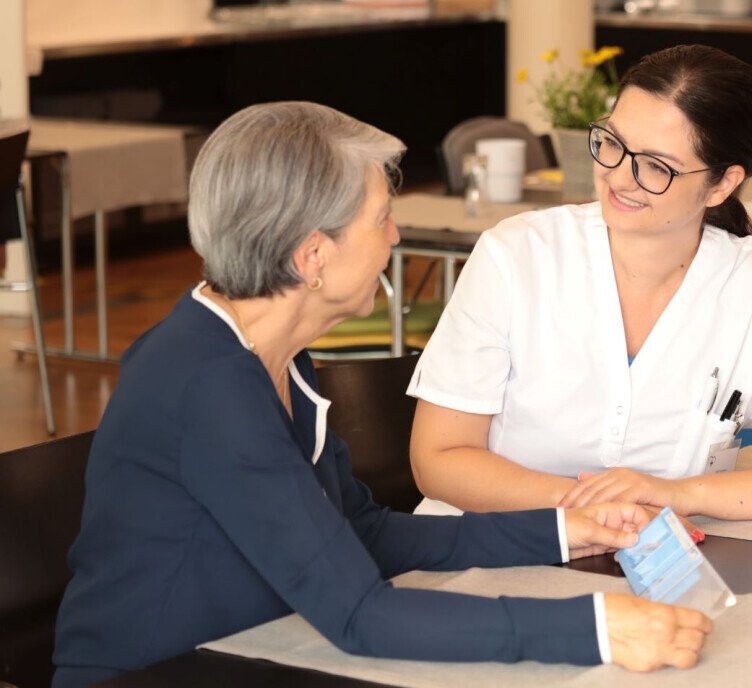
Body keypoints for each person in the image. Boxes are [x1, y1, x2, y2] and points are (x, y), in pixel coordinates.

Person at [52, 102, 712, 687]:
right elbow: (360, 614)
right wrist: (596, 629)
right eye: (381, 218)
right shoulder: (209, 386)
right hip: (159, 673)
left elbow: (361, 534)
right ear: (312, 257)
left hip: (253, 652)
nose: (394, 236)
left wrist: (568, 529)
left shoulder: (270, 352)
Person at [408, 44, 752, 519]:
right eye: (611, 143)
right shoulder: (517, 256)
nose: (618, 177)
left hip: (654, 560)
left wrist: (677, 495)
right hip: (486, 550)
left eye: (656, 166)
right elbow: (439, 459)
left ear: (721, 185)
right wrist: (590, 507)